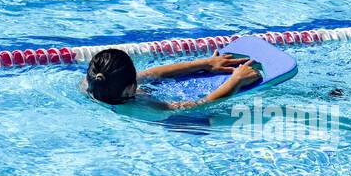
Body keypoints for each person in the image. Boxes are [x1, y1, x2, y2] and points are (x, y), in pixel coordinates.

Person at [83, 48, 262, 111]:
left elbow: (152, 74)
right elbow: (199, 104)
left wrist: (204, 63)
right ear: (130, 88)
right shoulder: (144, 107)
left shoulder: (93, 83)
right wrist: (235, 81)